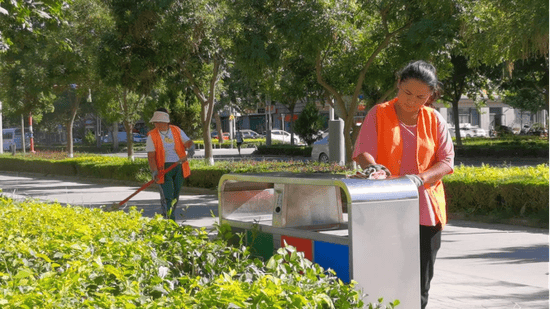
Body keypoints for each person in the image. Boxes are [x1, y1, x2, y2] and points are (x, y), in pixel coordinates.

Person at [352, 60, 455, 309]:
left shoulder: (435, 120)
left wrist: (420, 178)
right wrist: (373, 167)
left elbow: (447, 162)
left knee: (420, 280)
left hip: (425, 212)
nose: (412, 100)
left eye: (421, 96)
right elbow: (362, 151)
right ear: (398, 84)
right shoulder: (379, 113)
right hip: (386, 207)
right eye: (407, 92)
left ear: (430, 96)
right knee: (385, 275)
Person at [146, 108, 194, 220]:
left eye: (157, 122)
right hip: (164, 169)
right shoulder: (152, 136)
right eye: (155, 122)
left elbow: (187, 142)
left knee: (175, 195)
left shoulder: (176, 130)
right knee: (168, 196)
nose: (155, 124)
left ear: (164, 122)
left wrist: (191, 147)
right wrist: (154, 171)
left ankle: (170, 216)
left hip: (179, 167)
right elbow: (151, 157)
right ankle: (169, 219)